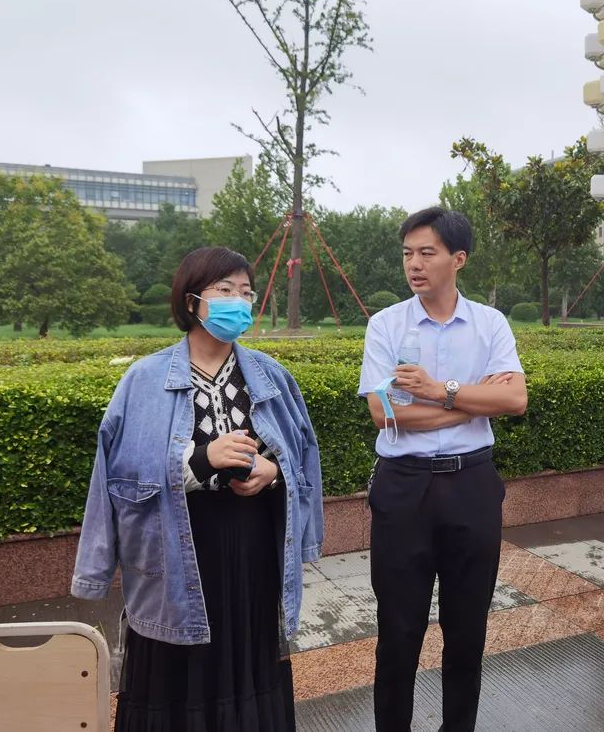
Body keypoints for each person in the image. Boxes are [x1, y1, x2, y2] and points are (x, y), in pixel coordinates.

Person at [72, 247, 324, 732]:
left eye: (246, 293)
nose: (239, 302)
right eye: (225, 290)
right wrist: (202, 459)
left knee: (247, 666)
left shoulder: (271, 376)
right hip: (174, 560)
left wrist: (272, 472)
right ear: (192, 301)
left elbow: (301, 455)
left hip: (251, 555)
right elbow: (119, 478)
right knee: (176, 680)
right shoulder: (144, 380)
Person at [358, 207, 527, 732]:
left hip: (471, 485)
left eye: (426, 252)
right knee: (398, 632)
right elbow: (384, 412)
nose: (414, 263)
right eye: (408, 253)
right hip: (403, 489)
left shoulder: (489, 324)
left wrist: (437, 390)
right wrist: (470, 401)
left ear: (458, 259)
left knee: (467, 631)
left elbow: (515, 399)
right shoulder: (386, 325)